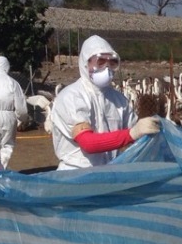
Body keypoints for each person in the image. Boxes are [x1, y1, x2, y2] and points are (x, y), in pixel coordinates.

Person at [50, 35, 159, 170]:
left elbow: (137, 132)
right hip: (76, 175)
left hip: (109, 174)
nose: (106, 68)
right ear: (85, 63)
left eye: (112, 62)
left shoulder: (119, 100)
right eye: (100, 62)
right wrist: (132, 134)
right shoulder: (71, 97)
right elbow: (88, 143)